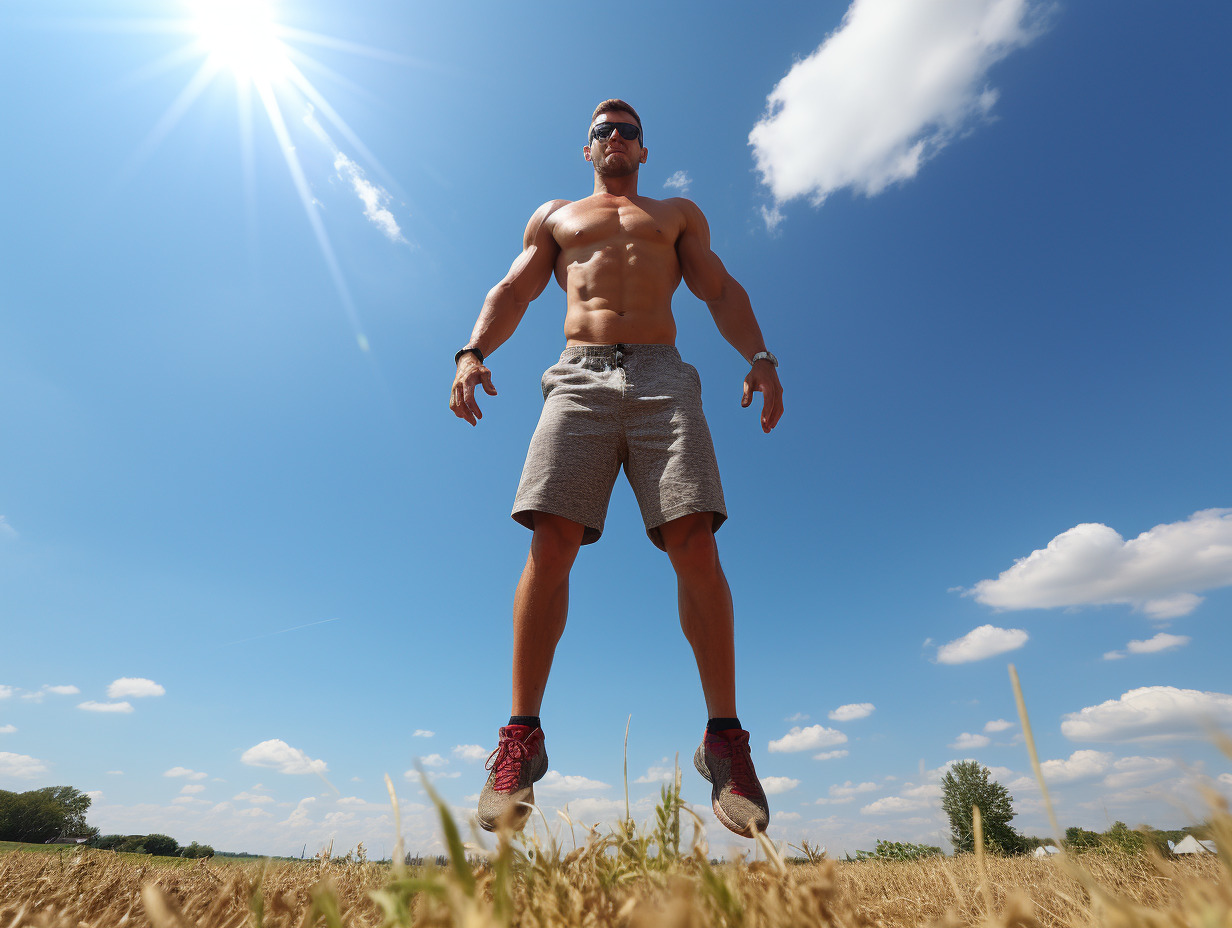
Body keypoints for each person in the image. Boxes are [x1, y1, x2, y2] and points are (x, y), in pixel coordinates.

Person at [449, 99, 784, 838]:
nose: (616, 137)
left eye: (628, 128)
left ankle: (724, 738)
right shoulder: (557, 216)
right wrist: (473, 352)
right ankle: (521, 739)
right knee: (551, 538)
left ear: (643, 147)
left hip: (664, 376)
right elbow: (513, 289)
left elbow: (719, 291)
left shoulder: (676, 215)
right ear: (588, 147)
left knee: (695, 538)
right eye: (604, 128)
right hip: (578, 375)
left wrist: (759, 357)